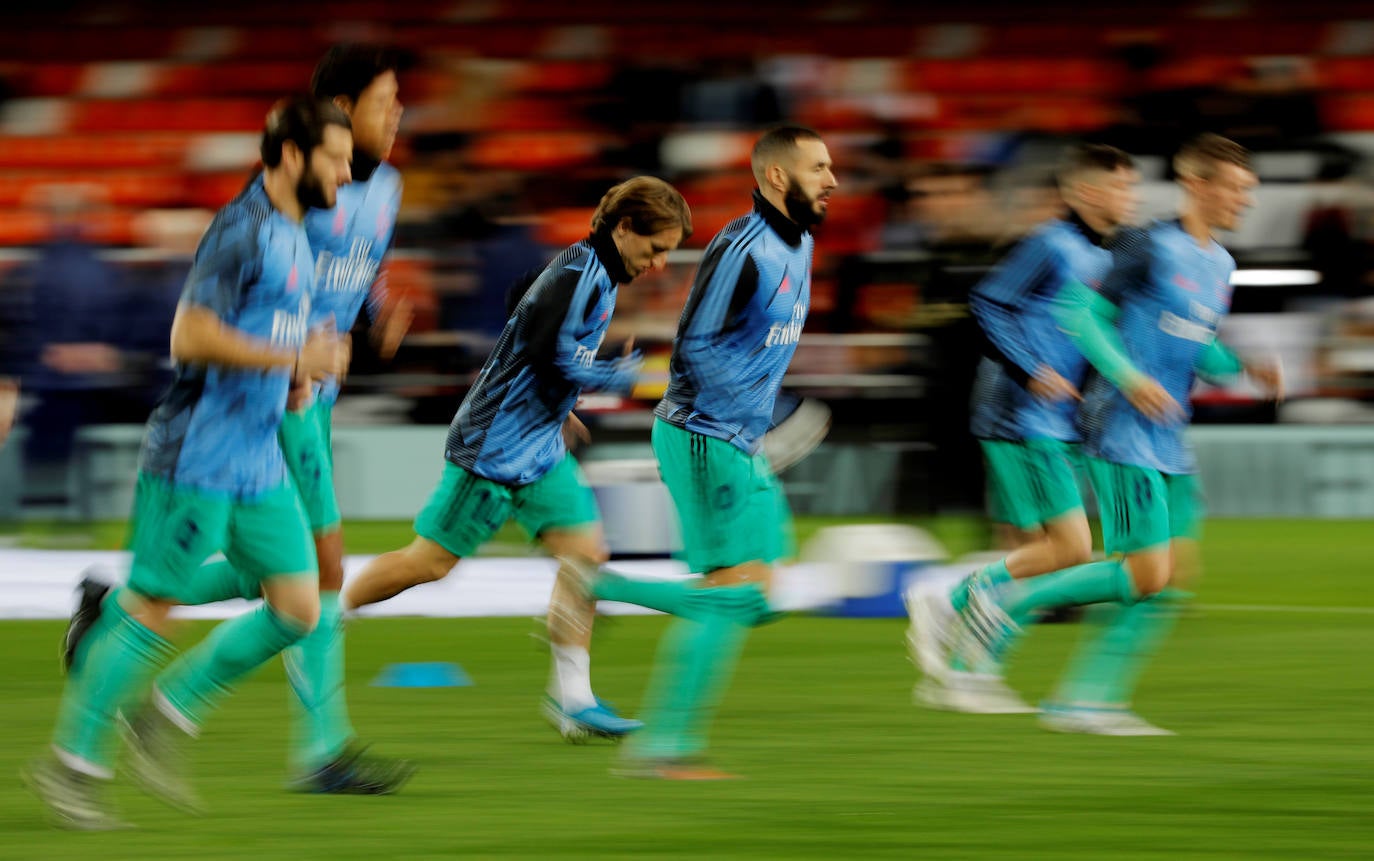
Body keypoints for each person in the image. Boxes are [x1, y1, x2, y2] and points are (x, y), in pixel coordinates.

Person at [62, 46, 416, 794]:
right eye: (387, 100)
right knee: (318, 566)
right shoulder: (297, 196)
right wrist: (295, 357)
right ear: (341, 114)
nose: (400, 113)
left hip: (308, 396)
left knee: (281, 576)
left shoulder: (384, 189)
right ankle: (319, 747)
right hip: (271, 395)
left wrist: (377, 316)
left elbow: (364, 267)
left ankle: (121, 606)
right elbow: (255, 281)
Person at [25, 96, 353, 830]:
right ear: (293, 156)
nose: (348, 170)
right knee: (153, 611)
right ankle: (71, 765)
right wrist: (293, 355)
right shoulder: (242, 232)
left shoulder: (298, 239)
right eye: (336, 157)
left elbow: (274, 349)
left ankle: (162, 710)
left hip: (256, 458)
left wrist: (299, 379)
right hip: (196, 454)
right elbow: (189, 335)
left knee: (300, 607)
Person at [341, 177, 720, 741]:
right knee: (428, 563)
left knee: (584, 555)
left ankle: (573, 701)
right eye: (655, 248)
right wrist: (614, 376)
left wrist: (558, 405)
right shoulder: (577, 276)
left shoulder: (588, 271)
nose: (660, 264)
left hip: (539, 447)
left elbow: (526, 314)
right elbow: (547, 351)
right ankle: (323, 617)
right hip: (492, 451)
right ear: (622, 229)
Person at [953, 133, 1282, 735]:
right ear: (1198, 185)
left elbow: (1194, 343)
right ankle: (1007, 611)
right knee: (1144, 573)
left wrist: (1242, 367)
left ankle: (1089, 698)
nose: (1245, 201)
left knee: (1170, 574)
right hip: (1122, 428)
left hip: (1167, 434)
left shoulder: (1222, 264)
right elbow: (1080, 313)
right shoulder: (1147, 245)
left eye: (1249, 190)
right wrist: (1129, 379)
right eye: (1236, 188)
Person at [613, 126, 836, 779]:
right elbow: (693, 347)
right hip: (707, 436)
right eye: (818, 167)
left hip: (742, 439)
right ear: (775, 177)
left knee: (759, 598)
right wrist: (764, 414)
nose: (831, 178)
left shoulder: (801, 244)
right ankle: (662, 748)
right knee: (733, 596)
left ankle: (597, 586)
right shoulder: (742, 247)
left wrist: (767, 416)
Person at [907, 144, 1140, 714]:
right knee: (1068, 548)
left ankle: (966, 672)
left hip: (1056, 419)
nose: (1129, 199)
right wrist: (1033, 369)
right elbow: (987, 302)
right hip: (1019, 412)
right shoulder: (1049, 243)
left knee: (1048, 549)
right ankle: (949, 599)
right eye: (1120, 188)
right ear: (1087, 192)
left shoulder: (1109, 253)